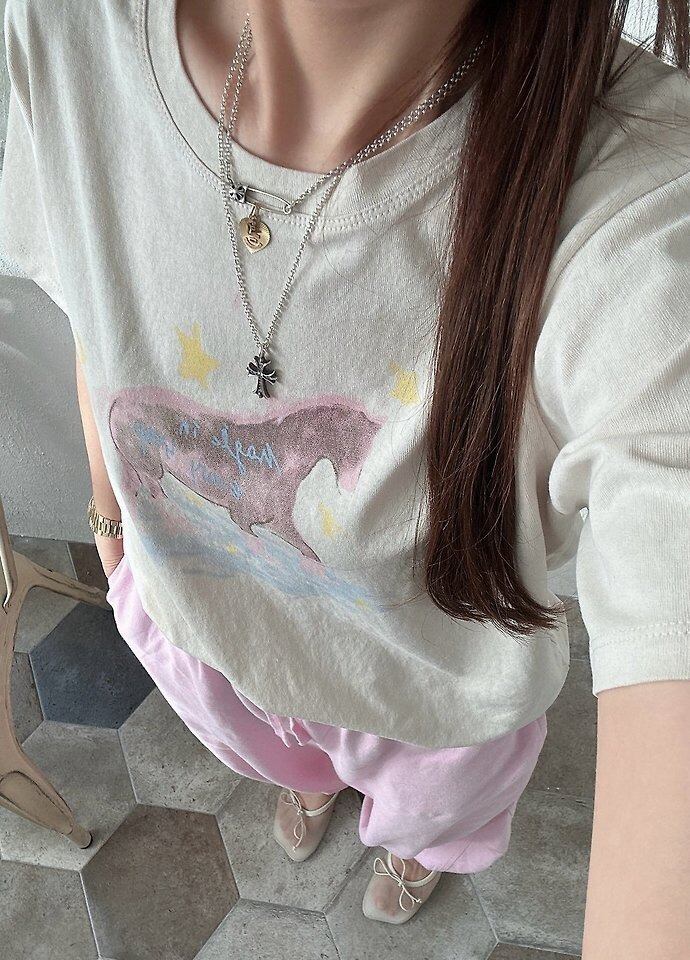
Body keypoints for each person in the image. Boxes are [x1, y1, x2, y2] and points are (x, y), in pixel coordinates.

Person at [1, 0, 688, 947]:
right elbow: (96, 311)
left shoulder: (642, 201)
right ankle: (312, 779)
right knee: (284, 757)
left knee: (427, 814)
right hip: (216, 653)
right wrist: (110, 524)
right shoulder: (60, 34)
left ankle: (412, 847)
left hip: (434, 712)